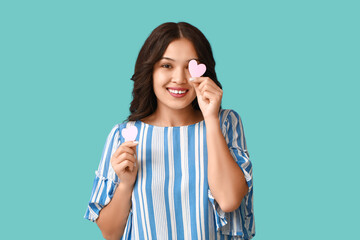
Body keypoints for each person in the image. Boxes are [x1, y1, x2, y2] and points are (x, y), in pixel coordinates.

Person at [84, 22, 255, 240]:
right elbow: (110, 233)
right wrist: (125, 184)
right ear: (151, 71)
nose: (180, 79)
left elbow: (229, 200)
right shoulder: (123, 135)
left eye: (190, 66)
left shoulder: (225, 123)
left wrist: (210, 117)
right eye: (167, 66)